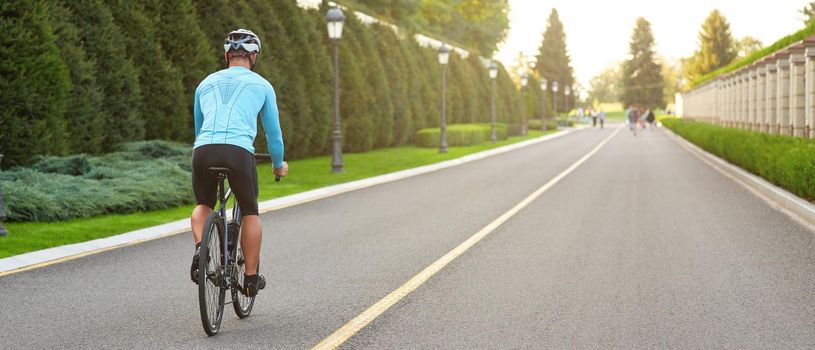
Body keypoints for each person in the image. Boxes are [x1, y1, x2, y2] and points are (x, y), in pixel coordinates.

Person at [189, 29, 288, 297]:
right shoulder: (263, 85)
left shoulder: (205, 83)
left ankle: (202, 248)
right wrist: (278, 164)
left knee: (203, 206)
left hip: (204, 150)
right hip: (238, 152)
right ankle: (251, 278)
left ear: (226, 55)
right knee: (249, 210)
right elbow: (273, 134)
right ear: (253, 56)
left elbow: (199, 129)